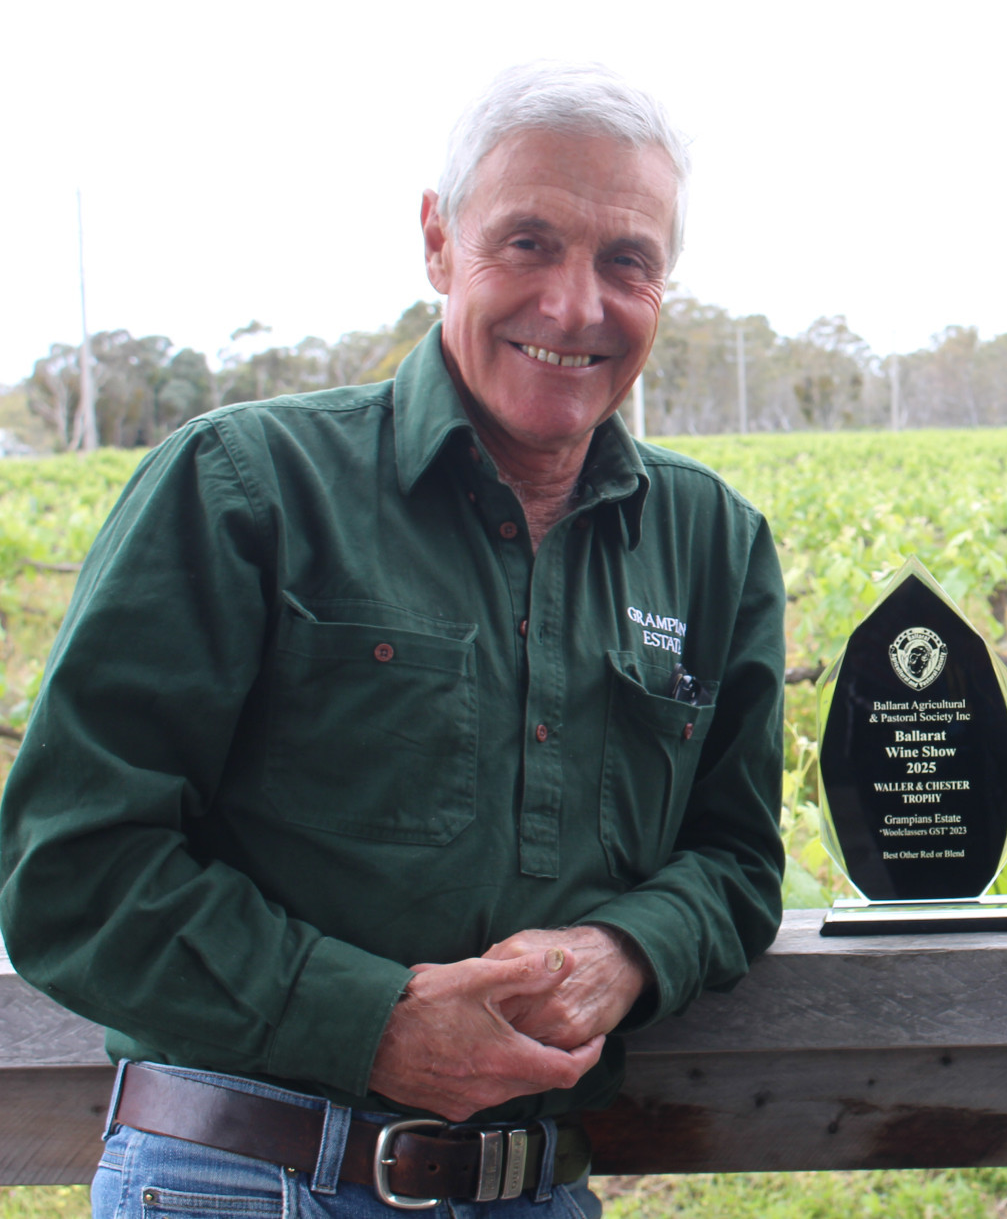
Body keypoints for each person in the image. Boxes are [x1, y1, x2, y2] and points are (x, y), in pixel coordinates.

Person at [0, 62, 786, 1217]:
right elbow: (68, 870)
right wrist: (369, 1024)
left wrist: (626, 951)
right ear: (436, 240)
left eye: (626, 260)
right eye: (527, 243)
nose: (574, 306)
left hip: (535, 1188)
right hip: (240, 1177)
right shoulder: (245, 487)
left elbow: (734, 862)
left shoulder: (711, 541)